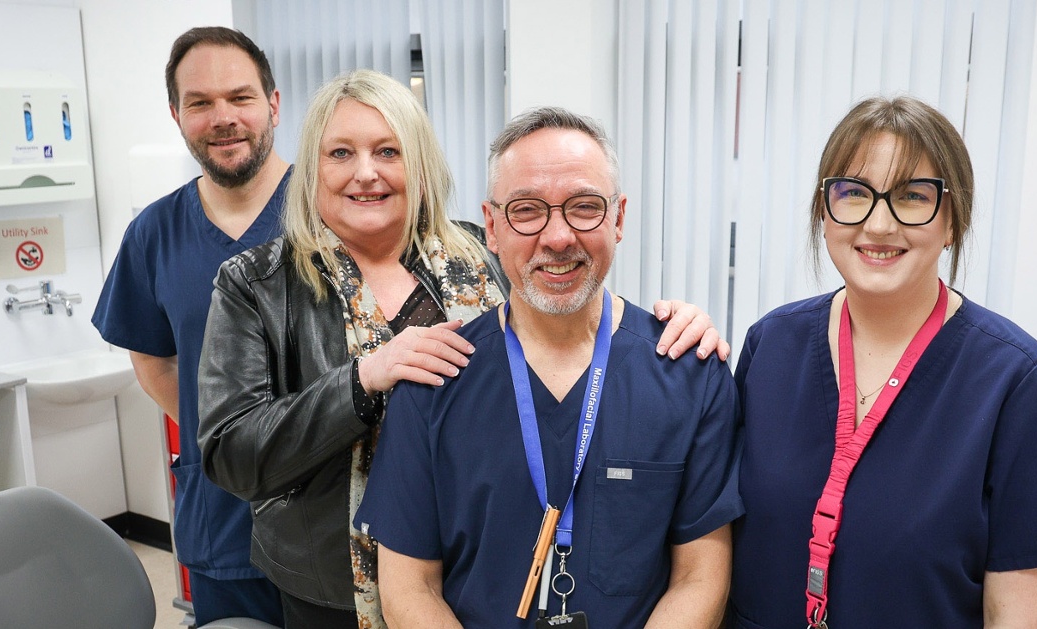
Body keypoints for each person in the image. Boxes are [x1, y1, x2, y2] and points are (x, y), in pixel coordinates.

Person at [197, 76, 730, 629]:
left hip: (473, 566)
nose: (366, 171)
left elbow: (570, 295)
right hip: (334, 583)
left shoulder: (478, 251)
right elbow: (230, 450)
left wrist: (678, 329)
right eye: (340, 153)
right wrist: (363, 380)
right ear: (312, 168)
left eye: (388, 150)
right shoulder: (258, 283)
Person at [356, 107, 742, 629]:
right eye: (527, 210)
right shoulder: (435, 381)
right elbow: (408, 589)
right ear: (491, 226)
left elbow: (701, 578)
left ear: (619, 218)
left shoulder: (689, 374)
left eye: (584, 208)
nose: (557, 237)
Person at [728, 95, 1037, 628]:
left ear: (953, 222)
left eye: (912, 196)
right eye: (853, 193)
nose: (879, 225)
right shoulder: (771, 345)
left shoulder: (1019, 383)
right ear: (824, 212)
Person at [92, 26, 288, 626]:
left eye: (240, 97)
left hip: (339, 518)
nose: (222, 117)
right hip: (222, 518)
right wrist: (228, 433)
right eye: (200, 103)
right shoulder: (154, 234)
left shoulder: (332, 211)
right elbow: (153, 360)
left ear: (273, 104)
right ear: (177, 115)